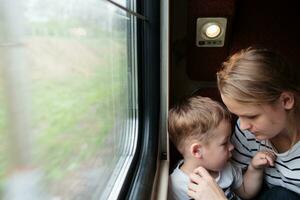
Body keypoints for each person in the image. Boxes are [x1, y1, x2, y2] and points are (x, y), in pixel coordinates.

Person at [188, 47, 300, 200]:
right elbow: (236, 179)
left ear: (286, 101)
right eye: (238, 116)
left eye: (252, 116)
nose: (242, 125)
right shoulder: (248, 131)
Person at [168, 95, 276, 200]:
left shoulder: (225, 168)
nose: (232, 146)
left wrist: (254, 169)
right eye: (224, 143)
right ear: (197, 151)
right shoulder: (177, 186)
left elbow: (245, 192)